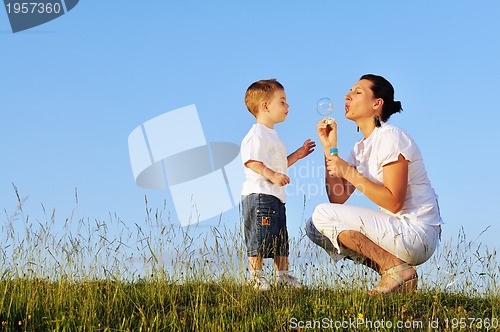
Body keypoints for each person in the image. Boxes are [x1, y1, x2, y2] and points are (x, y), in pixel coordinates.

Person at [306, 74, 443, 294]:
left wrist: (349, 172)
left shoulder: (391, 137)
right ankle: (395, 273)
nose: (347, 96)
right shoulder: (360, 148)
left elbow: (394, 202)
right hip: (396, 232)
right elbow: (337, 197)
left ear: (376, 104)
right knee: (314, 227)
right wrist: (329, 148)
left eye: (357, 92)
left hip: (416, 233)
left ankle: (395, 270)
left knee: (322, 213)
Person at [241, 78, 316, 290]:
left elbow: (280, 165)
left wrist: (298, 155)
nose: (287, 106)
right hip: (259, 195)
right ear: (265, 106)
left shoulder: (272, 135)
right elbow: (251, 161)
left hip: (275, 197)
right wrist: (272, 175)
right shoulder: (256, 134)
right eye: (282, 102)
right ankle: (255, 277)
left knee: (280, 238)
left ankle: (282, 276)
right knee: (259, 237)